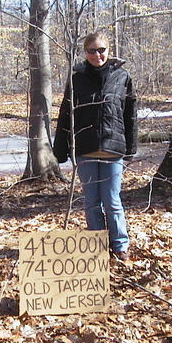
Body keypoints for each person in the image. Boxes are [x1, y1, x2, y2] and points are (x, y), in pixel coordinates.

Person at [53, 32, 137, 261]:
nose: (97, 55)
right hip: (85, 148)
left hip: (113, 147)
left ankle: (120, 245)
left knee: (112, 199)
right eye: (92, 50)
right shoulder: (76, 80)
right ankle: (97, 244)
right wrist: (60, 149)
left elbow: (130, 115)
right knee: (91, 201)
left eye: (101, 50)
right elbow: (65, 115)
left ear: (108, 52)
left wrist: (131, 147)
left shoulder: (122, 77)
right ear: (85, 52)